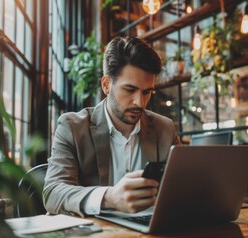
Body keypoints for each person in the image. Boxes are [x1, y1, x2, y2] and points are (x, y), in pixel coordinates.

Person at [43, 37, 181, 217]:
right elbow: (52, 193)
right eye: (129, 90)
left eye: (147, 92)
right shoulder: (72, 127)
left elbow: (184, 186)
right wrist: (109, 198)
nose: (139, 102)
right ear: (107, 85)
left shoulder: (165, 128)